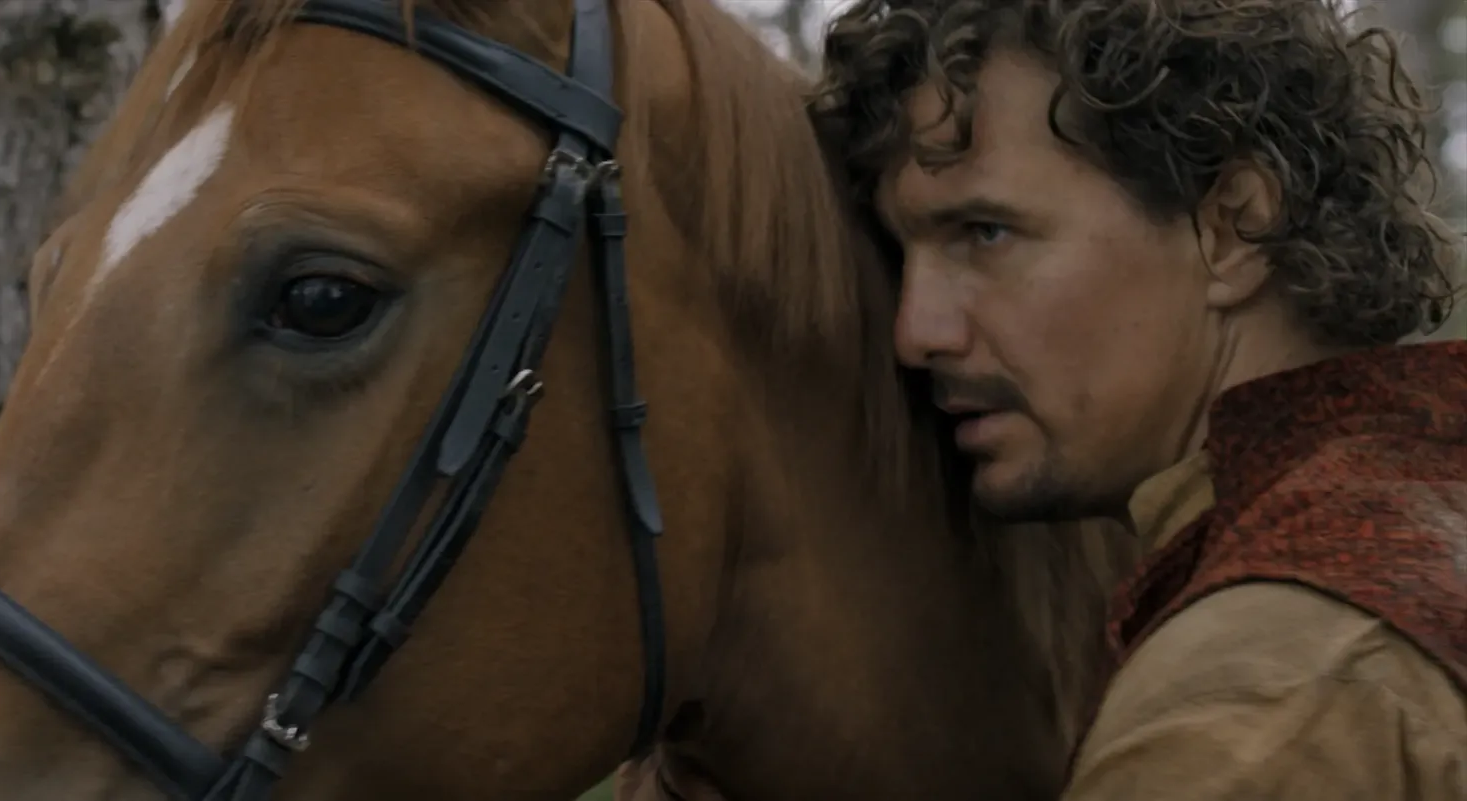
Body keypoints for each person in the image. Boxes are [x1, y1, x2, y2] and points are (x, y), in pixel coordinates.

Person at [620, 0, 1466, 798]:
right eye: (903, 252)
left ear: (1231, 226)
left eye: (984, 232)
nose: (917, 331)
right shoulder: (1411, 528)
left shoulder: (1254, 706)